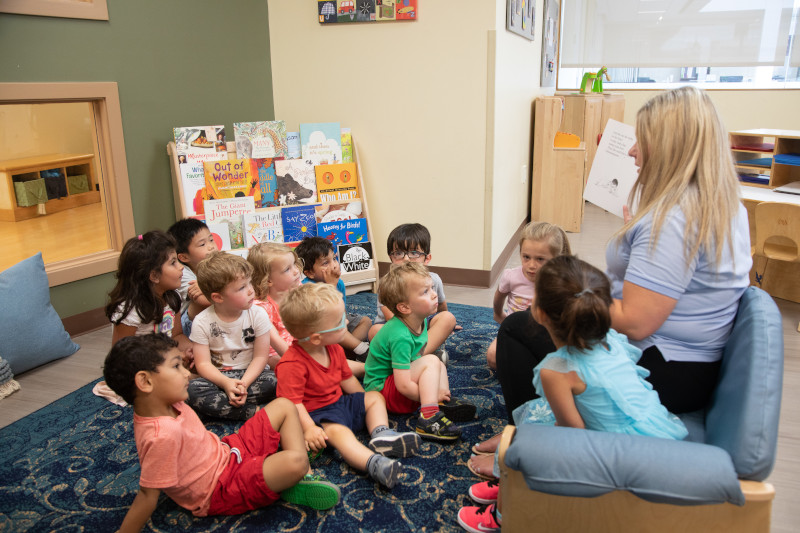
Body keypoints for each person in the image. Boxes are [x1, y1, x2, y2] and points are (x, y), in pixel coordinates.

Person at [493, 85, 751, 434]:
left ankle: (530, 438)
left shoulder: (673, 221)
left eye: (641, 140)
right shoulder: (715, 204)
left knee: (516, 327)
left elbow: (636, 322)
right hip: (690, 362)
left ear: (669, 147)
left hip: (664, 368)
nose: (631, 151)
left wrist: (560, 299)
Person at [458, 256, 687, 533]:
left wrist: (530, 444)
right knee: (535, 415)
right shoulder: (611, 338)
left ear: (538, 312)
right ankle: (509, 482)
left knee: (526, 432)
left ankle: (504, 513)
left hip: (625, 453)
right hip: (657, 436)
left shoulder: (556, 370)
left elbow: (571, 435)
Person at [103, 334, 340, 532]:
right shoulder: (160, 435)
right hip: (219, 488)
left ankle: (289, 474)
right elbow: (147, 495)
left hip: (228, 451)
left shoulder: (168, 402)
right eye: (176, 367)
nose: (186, 373)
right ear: (145, 382)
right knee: (295, 461)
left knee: (285, 405)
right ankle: (298, 478)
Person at [276, 283, 422, 489]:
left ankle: (382, 434)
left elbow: (347, 380)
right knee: (341, 434)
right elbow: (293, 404)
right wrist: (309, 429)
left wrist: (363, 402)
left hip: (339, 404)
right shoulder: (292, 364)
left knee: (374, 398)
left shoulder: (333, 348)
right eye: (339, 322)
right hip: (317, 418)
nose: (346, 322)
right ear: (317, 338)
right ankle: (374, 463)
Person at [363, 262, 476, 442]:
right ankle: (429, 417)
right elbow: (403, 385)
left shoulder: (418, 320)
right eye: (425, 292)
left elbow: (413, 360)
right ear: (405, 307)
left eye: (432, 288)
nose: (434, 293)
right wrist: (424, 397)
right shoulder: (400, 335)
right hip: (384, 392)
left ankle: (440, 401)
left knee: (436, 362)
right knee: (430, 361)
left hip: (396, 384)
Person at [187, 252, 282, 420]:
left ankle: (224, 408)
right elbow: (202, 364)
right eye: (241, 288)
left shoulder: (258, 314)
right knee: (191, 389)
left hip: (253, 375)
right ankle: (255, 413)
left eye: (249, 283)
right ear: (218, 297)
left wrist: (243, 384)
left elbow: (261, 357)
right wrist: (226, 383)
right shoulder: (202, 321)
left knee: (278, 380)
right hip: (219, 379)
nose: (251, 291)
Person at [485, 221, 571, 370]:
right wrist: (498, 313)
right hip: (514, 332)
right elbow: (500, 295)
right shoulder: (512, 276)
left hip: (548, 335)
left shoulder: (561, 281)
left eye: (540, 259)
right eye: (526, 257)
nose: (531, 265)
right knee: (492, 357)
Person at [367, 223, 457, 364]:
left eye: (414, 253)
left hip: (421, 327)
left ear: (427, 259)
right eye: (398, 253)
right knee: (374, 331)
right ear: (391, 258)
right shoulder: (387, 284)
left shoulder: (434, 279)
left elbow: (441, 305)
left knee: (448, 318)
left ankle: (413, 357)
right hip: (395, 330)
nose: (406, 259)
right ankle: (418, 357)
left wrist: (446, 324)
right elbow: (393, 320)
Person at [105, 231, 191, 355]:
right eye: (173, 263)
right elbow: (120, 356)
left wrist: (191, 350)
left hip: (166, 359)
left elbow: (177, 336)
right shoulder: (130, 311)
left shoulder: (172, 296)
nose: (181, 267)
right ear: (154, 276)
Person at [295, 236, 371, 373]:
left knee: (365, 321)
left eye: (334, 259)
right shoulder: (307, 288)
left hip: (339, 319)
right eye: (325, 263)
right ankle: (361, 350)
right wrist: (331, 285)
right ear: (310, 273)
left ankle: (349, 352)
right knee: (337, 329)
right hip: (322, 327)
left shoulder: (338, 282)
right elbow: (326, 318)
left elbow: (341, 312)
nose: (334, 265)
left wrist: (334, 285)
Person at [248, 242, 301, 360]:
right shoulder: (261, 307)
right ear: (268, 280)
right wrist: (301, 362)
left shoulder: (297, 288)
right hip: (275, 354)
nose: (296, 271)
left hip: (300, 344)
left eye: (294, 264)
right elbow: (276, 342)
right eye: (287, 269)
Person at [167, 218, 218, 337]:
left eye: (211, 239)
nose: (211, 247)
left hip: (214, 311)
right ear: (184, 257)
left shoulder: (217, 265)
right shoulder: (182, 272)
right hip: (186, 325)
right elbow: (203, 301)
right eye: (202, 244)